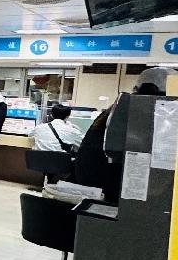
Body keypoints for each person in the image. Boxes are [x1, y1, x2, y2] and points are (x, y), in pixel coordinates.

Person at [74, 67, 174, 202]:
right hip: (122, 193)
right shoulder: (159, 117)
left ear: (136, 89)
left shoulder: (112, 113)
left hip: (94, 189)